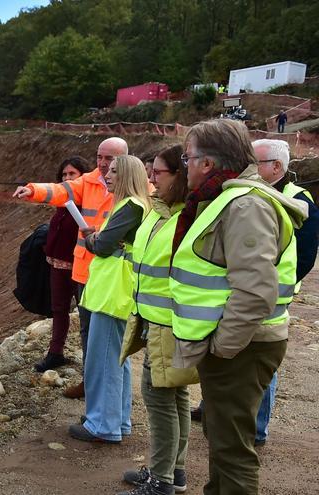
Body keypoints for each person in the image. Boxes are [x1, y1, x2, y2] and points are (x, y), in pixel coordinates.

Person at [171, 119, 307, 494]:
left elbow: (255, 291)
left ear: (208, 164)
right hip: (239, 344)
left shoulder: (245, 205)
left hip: (243, 346)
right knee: (222, 436)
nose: (186, 166)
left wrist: (223, 346)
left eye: (188, 158)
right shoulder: (230, 199)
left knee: (233, 450)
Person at [13, 137, 128, 398]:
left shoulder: (134, 188)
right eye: (100, 156)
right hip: (86, 270)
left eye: (109, 158)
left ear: (123, 159)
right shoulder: (87, 182)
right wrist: (33, 190)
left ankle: (106, 396)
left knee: (109, 336)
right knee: (88, 331)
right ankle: (91, 383)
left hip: (112, 272)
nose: (102, 163)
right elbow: (60, 190)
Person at [119, 145, 197, 495]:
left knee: (159, 400)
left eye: (158, 173)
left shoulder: (186, 217)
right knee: (175, 395)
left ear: (178, 176)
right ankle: (173, 472)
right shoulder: (161, 211)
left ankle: (160, 480)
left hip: (168, 325)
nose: (151, 179)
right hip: (156, 320)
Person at [68, 155, 151, 444]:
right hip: (115, 290)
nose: (108, 175)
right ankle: (117, 419)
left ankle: (102, 424)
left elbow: (102, 247)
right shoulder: (137, 205)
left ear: (127, 175)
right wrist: (102, 239)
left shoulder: (129, 207)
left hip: (111, 291)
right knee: (118, 358)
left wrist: (93, 240)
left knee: (103, 359)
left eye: (115, 171)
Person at [251, 139, 319, 445]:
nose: (250, 168)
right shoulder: (253, 192)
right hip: (247, 292)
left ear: (277, 167)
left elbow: (305, 255)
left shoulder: (297, 199)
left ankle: (257, 427)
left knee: (263, 362)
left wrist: (280, 288)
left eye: (257, 163)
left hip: (273, 298)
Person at [34, 157, 93, 372]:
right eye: (64, 175)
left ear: (82, 177)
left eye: (72, 174)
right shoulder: (62, 204)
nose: (67, 178)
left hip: (81, 266)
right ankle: (55, 353)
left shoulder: (87, 203)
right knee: (59, 310)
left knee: (85, 314)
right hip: (58, 265)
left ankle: (90, 362)